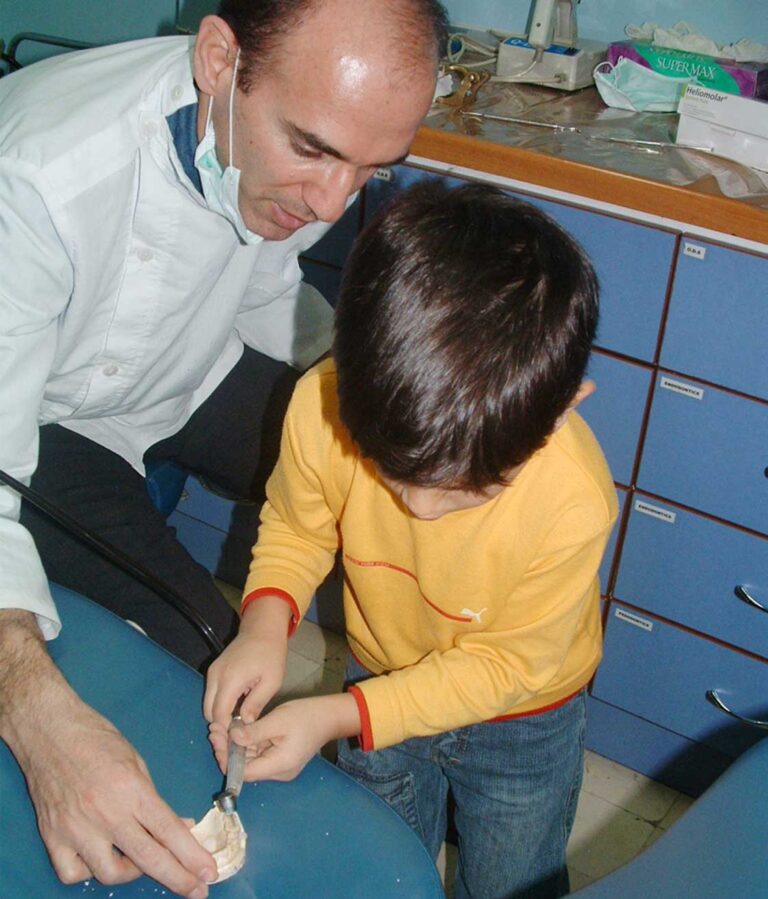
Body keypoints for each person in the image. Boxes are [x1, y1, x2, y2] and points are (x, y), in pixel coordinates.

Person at [0, 1, 446, 896]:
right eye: (313, 149)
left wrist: (419, 403)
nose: (332, 202)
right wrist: (35, 716)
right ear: (217, 59)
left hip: (183, 369)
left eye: (370, 169)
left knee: (406, 485)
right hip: (41, 425)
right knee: (206, 650)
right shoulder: (35, 178)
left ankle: (400, 749)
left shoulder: (304, 157)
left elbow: (268, 297)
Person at [205, 180, 619, 898]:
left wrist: (343, 715)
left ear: (559, 412)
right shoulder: (323, 403)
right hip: (382, 668)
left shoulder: (573, 497)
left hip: (522, 718)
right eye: (392, 473)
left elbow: (503, 668)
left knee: (513, 884)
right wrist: (264, 626)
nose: (421, 510)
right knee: (377, 866)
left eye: (472, 489)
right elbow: (300, 527)